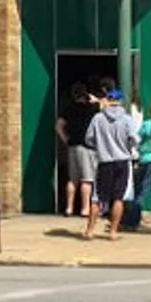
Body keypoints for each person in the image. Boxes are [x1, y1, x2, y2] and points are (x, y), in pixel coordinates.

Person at [83, 87, 139, 241]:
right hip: (122, 161)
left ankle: (90, 231)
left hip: (104, 161)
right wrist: (127, 146)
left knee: (97, 198)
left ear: (108, 99)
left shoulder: (98, 118)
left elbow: (88, 139)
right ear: (120, 101)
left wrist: (99, 146)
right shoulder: (127, 119)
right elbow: (135, 139)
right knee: (118, 198)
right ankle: (113, 232)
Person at [56, 82, 99, 217]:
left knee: (72, 179)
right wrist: (96, 100)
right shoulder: (91, 109)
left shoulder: (69, 109)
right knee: (86, 179)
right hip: (86, 147)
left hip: (72, 146)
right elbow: (107, 107)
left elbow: (58, 125)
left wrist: (66, 140)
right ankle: (85, 209)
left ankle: (69, 208)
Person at [123, 96, 151, 231]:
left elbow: (136, 138)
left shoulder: (147, 124)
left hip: (145, 159)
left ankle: (132, 221)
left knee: (140, 192)